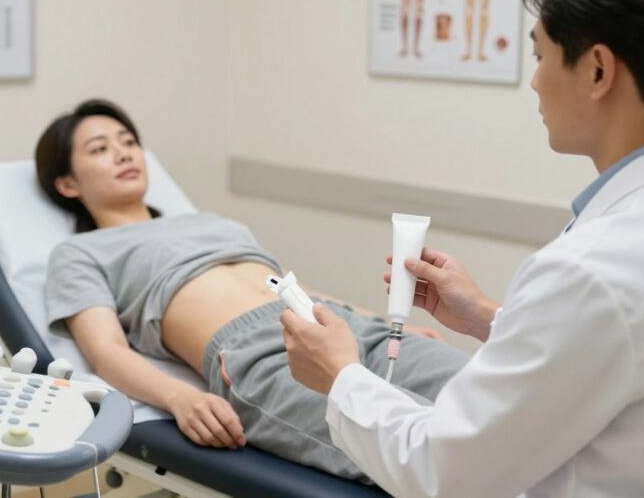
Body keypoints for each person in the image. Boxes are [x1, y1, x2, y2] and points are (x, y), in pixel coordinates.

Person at [282, 0, 644, 497]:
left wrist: (340, 376)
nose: (534, 80)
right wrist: (488, 317)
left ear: (598, 70)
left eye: (541, 53)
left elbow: (444, 472)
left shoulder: (591, 271)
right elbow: (639, 359)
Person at [35, 99, 469, 481]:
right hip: (259, 356)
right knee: (428, 450)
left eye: (128, 141)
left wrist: (382, 324)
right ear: (68, 184)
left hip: (336, 324)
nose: (123, 153)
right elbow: (105, 350)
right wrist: (180, 397)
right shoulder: (79, 252)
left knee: (484, 399)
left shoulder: (211, 221)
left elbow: (289, 285)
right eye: (100, 149)